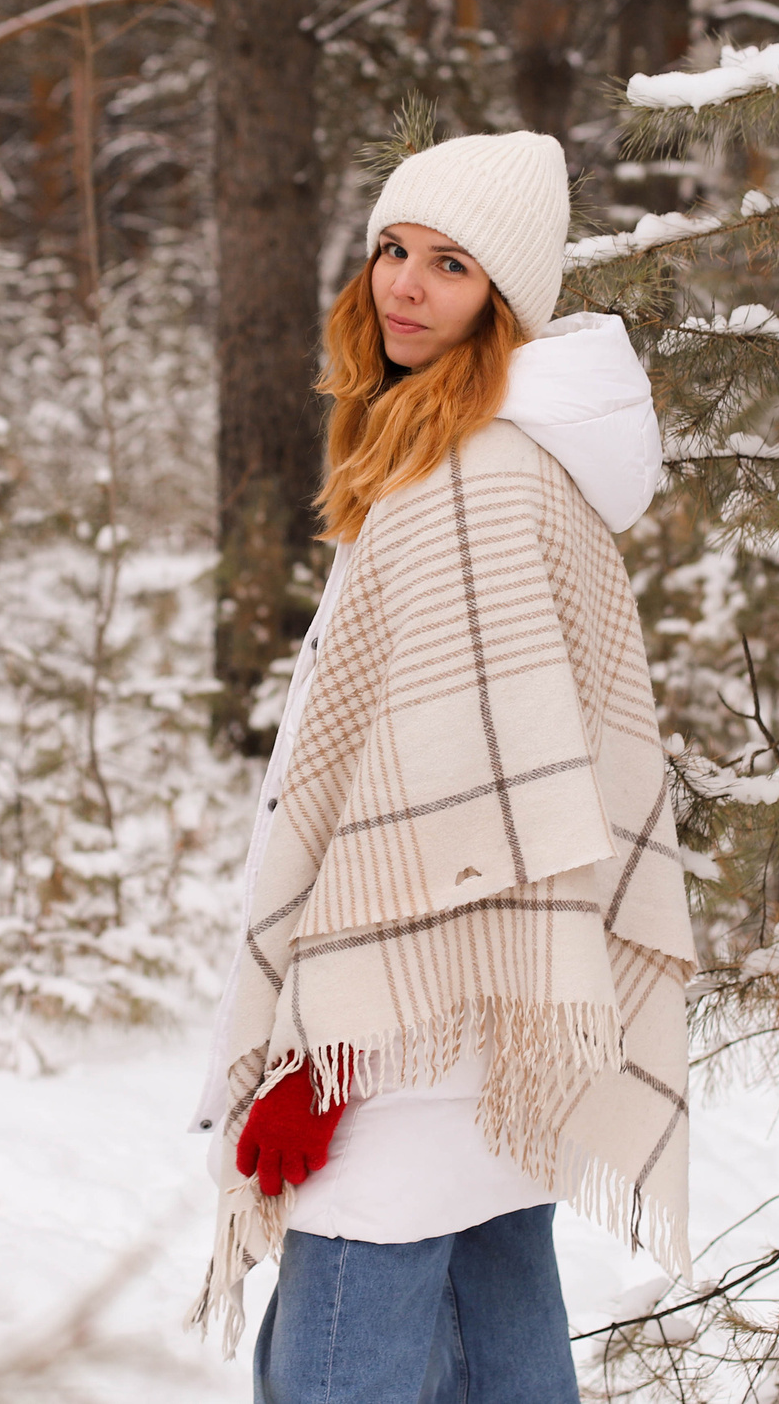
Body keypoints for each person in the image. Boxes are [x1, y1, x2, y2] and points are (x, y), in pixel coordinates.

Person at [191, 130, 695, 1403]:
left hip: (405, 1029)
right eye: (392, 251)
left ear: (503, 300)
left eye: (448, 265)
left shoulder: (473, 482)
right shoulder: (487, 457)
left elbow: (429, 815)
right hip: (495, 1015)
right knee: (494, 1302)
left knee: (337, 1359)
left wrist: (318, 1058)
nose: (403, 286)